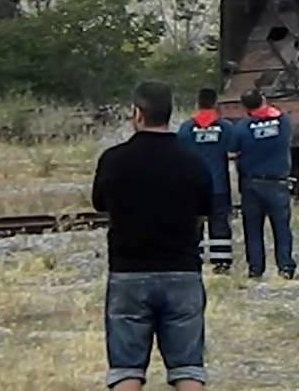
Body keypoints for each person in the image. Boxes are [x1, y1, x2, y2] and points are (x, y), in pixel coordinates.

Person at [92, 81, 213, 390]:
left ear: (137, 113)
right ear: (169, 115)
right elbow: (204, 213)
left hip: (128, 272)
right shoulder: (194, 161)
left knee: (126, 370)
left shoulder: (113, 160)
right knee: (188, 369)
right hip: (183, 272)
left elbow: (101, 205)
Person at [234, 88, 298, 280]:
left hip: (251, 183)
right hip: (277, 182)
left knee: (253, 229)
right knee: (282, 228)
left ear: (245, 107)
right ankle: (285, 267)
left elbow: (234, 150)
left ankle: (255, 268)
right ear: (263, 99)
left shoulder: (242, 128)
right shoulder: (283, 122)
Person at [176, 88, 238, 274]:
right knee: (219, 223)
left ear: (197, 103)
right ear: (215, 103)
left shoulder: (186, 128)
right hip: (218, 185)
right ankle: (221, 262)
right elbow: (233, 152)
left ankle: (195, 259)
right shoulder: (226, 127)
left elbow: (179, 155)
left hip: (192, 187)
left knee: (194, 224)